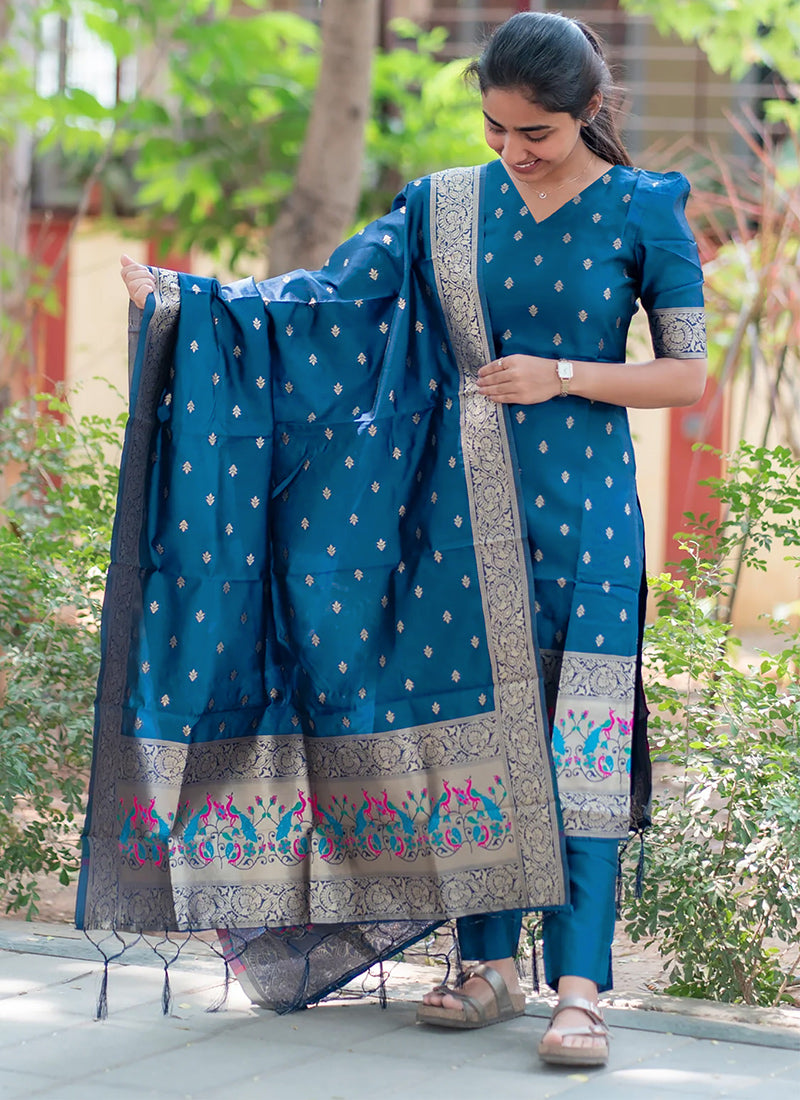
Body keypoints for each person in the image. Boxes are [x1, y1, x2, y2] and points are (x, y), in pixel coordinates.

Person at [88, 10, 705, 1069]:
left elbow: (684, 375)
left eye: (537, 132)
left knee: (581, 751)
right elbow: (328, 305)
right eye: (495, 128)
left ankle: (581, 990)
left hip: (587, 524)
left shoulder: (644, 210)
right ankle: (486, 964)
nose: (513, 150)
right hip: (457, 523)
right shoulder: (443, 208)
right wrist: (194, 307)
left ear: (590, 110)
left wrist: (562, 374)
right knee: (472, 732)